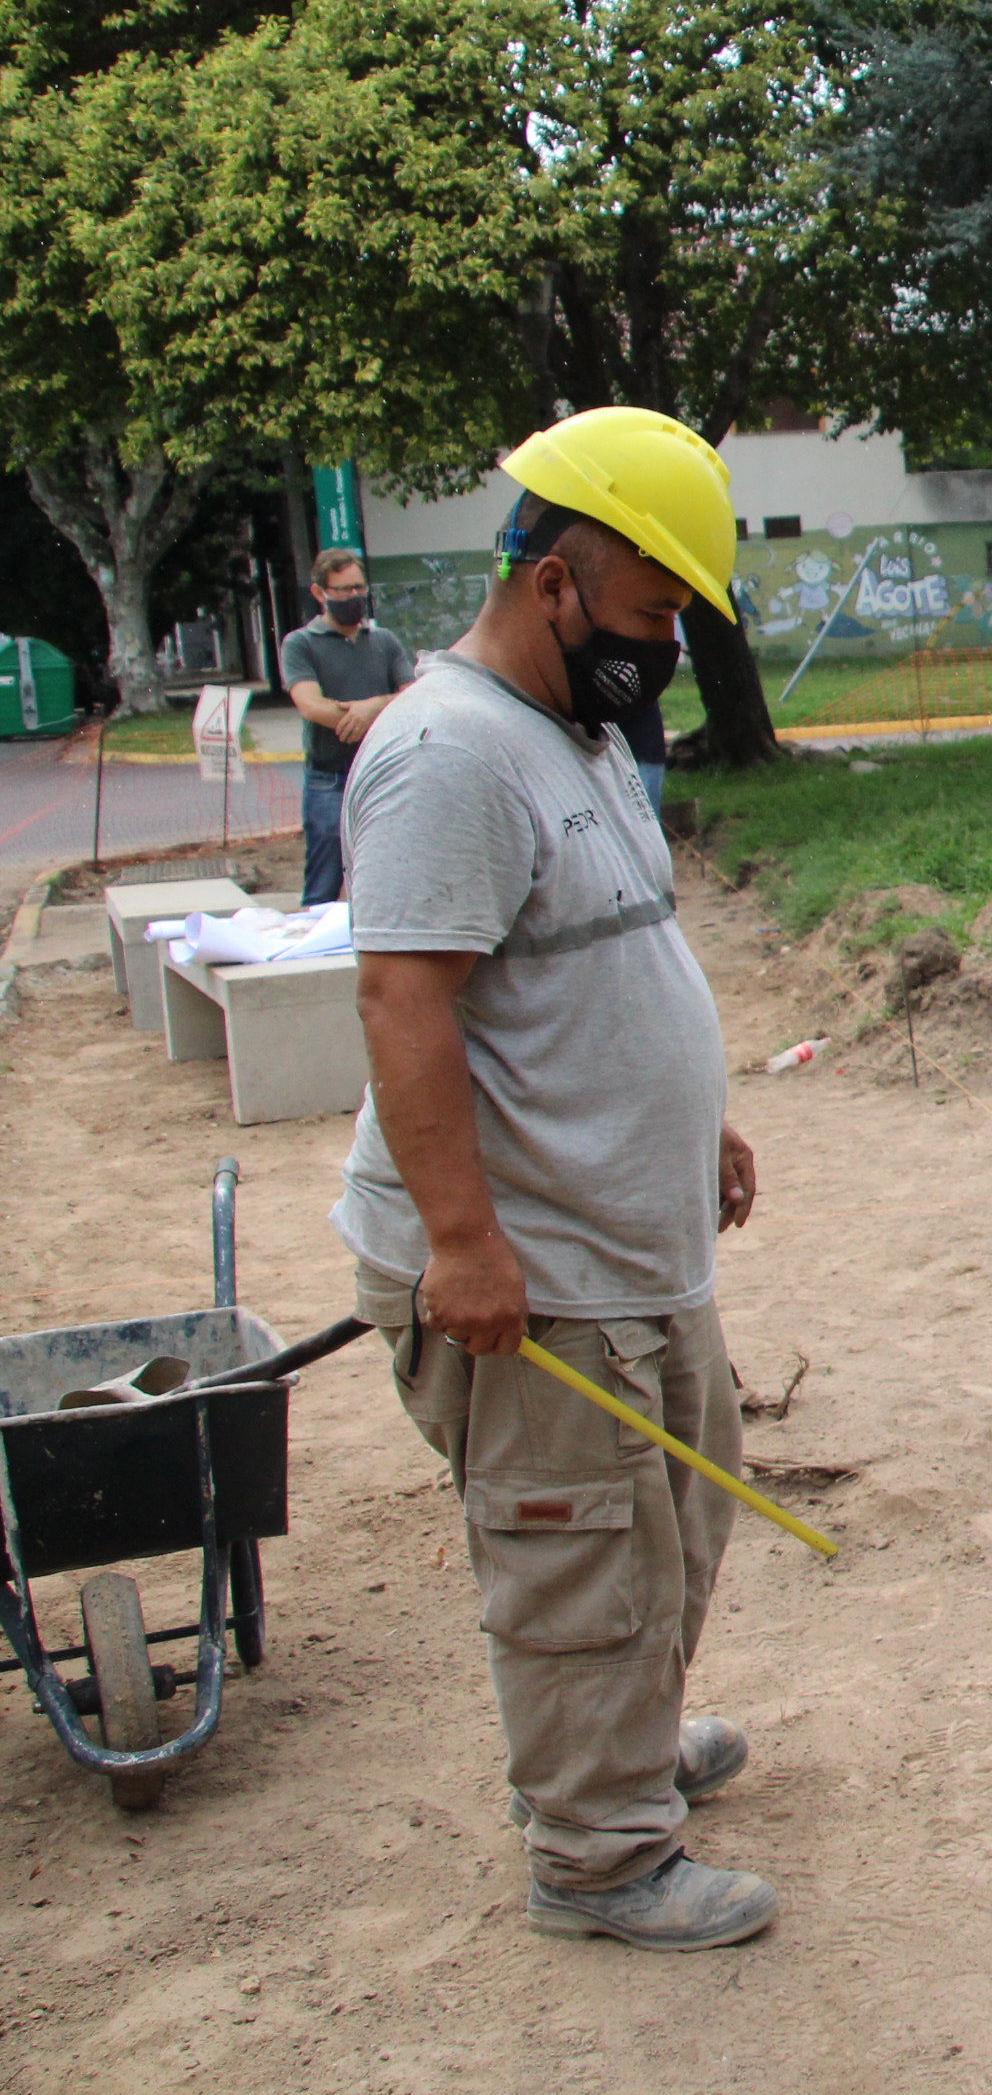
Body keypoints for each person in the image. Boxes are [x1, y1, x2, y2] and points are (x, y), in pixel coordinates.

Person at [332, 405, 781, 1952]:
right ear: (552, 582)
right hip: (533, 1266)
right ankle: (597, 1859)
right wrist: (461, 1242)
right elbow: (404, 1001)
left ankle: (630, 1757)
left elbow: (614, 957)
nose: (663, 650)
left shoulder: (575, 736)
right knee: (580, 1550)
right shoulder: (449, 755)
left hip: (632, 1240)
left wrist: (701, 1119)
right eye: (653, 613)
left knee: (672, 1514)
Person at [278, 549, 418, 905]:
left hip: (384, 768)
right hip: (330, 775)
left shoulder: (384, 641)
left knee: (392, 865)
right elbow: (311, 704)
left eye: (358, 588)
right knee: (325, 866)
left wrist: (372, 708)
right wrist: (361, 718)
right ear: (319, 593)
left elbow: (412, 695)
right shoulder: (300, 644)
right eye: (342, 590)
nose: (353, 597)